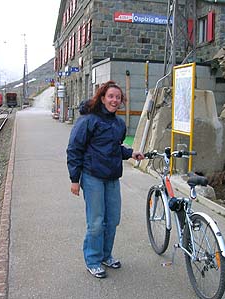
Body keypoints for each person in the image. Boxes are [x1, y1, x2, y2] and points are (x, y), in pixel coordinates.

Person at [66, 80, 144, 279]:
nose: (114, 100)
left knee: (113, 220)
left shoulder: (118, 124)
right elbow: (74, 150)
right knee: (96, 222)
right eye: (110, 96)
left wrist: (130, 153)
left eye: (118, 97)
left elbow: (114, 148)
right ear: (102, 98)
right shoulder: (88, 120)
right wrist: (75, 179)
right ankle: (92, 260)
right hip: (92, 177)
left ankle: (105, 255)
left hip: (112, 178)